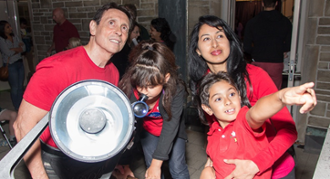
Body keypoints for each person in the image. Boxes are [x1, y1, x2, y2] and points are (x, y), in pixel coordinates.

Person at [14, 3, 133, 179]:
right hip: (58, 159)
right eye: (111, 23)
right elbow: (22, 125)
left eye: (124, 28)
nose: (119, 31)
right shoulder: (59, 68)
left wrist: (114, 161)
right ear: (93, 27)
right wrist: (39, 175)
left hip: (92, 155)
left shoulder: (112, 72)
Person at [188, 15, 299, 179]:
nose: (214, 44)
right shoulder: (203, 85)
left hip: (275, 169)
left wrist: (257, 164)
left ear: (230, 42)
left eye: (220, 36)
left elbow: (289, 131)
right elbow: (216, 127)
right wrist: (211, 159)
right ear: (197, 49)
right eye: (206, 39)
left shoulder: (256, 76)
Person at [198, 72, 316, 179]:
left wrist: (280, 97)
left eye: (232, 94)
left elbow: (256, 113)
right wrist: (208, 170)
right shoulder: (213, 133)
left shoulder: (244, 122)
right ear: (208, 109)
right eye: (218, 99)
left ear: (239, 96)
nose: (227, 101)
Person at [117, 41, 190, 179]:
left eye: (151, 86)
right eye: (140, 85)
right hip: (148, 131)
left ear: (166, 78)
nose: (144, 92)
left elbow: (171, 125)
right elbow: (127, 129)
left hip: (171, 131)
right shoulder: (130, 90)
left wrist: (157, 163)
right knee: (151, 168)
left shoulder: (176, 90)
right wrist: (125, 162)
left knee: (177, 167)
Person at [243, 0, 292, 90]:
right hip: (276, 61)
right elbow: (289, 44)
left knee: (256, 90)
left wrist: (255, 52)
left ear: (262, 3)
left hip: (258, 61)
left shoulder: (252, 22)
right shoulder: (285, 22)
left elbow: (247, 47)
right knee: (274, 92)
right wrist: (280, 50)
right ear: (276, 3)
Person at [0, 20, 25, 111]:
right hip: (10, 65)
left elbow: (24, 48)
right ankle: (17, 106)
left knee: (20, 86)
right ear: (2, 29)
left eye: (10, 26)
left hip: (19, 62)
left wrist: (14, 49)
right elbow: (7, 52)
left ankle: (21, 105)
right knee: (15, 87)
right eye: (8, 27)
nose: (10, 28)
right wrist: (18, 48)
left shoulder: (15, 36)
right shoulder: (2, 39)